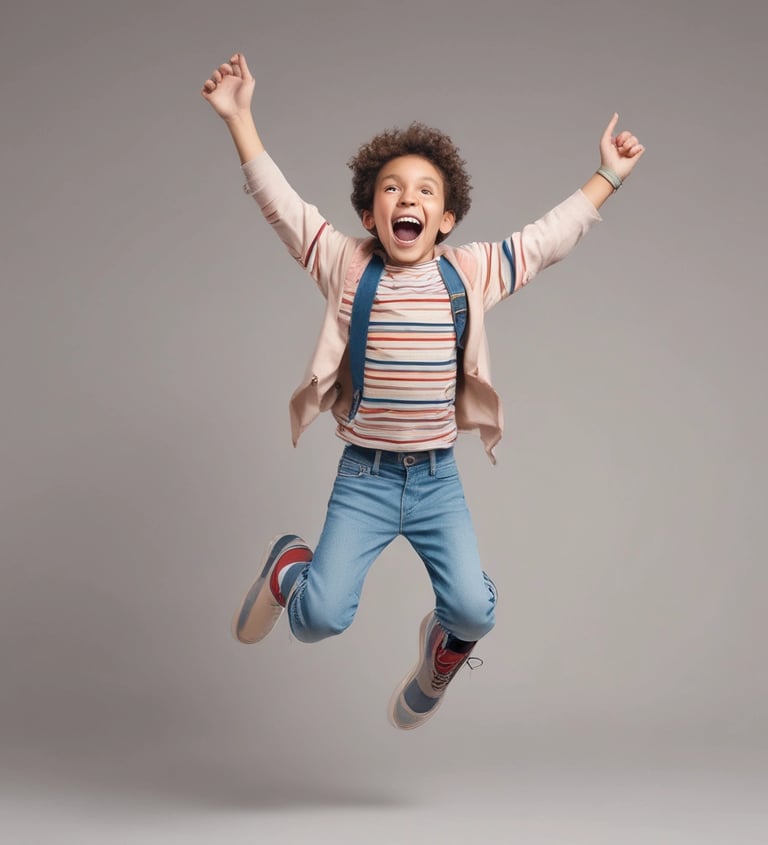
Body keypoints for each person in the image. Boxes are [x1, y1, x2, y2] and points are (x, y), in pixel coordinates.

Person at [201, 52, 645, 730]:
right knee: (317, 621)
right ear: (368, 213)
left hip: (438, 481)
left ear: (446, 220)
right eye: (391, 189)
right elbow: (280, 205)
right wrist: (240, 119)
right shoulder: (344, 263)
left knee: (474, 611)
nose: (407, 198)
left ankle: (441, 648)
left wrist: (607, 175)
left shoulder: (471, 273)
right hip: (365, 479)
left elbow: (548, 239)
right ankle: (291, 566)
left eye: (425, 191)